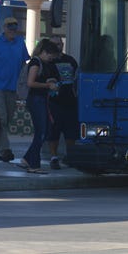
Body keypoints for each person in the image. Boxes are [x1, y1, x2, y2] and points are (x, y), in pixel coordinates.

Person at [19, 38, 60, 173]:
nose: (51, 58)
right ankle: (34, 165)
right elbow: (31, 83)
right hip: (35, 100)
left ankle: (27, 159)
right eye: (50, 55)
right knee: (41, 132)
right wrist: (48, 85)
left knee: (46, 130)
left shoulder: (42, 63)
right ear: (44, 52)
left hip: (42, 99)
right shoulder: (36, 62)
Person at [0, 17, 30, 162]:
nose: (12, 30)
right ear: (4, 28)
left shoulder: (20, 43)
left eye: (15, 28)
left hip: (13, 88)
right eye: (10, 27)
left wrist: (23, 85)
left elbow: (24, 64)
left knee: (7, 119)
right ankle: (5, 149)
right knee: (2, 118)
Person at [47, 35, 79, 170]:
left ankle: (70, 156)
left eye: (59, 44)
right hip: (54, 101)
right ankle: (54, 157)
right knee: (54, 130)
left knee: (71, 131)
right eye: (54, 44)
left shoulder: (70, 60)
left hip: (70, 100)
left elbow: (77, 78)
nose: (57, 46)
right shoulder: (47, 61)